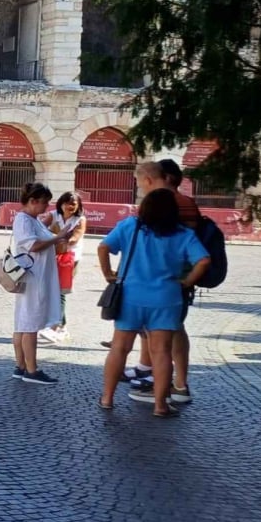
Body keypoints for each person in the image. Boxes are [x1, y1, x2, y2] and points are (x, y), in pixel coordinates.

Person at [97, 187, 210, 417]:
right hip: (166, 298)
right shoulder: (182, 234)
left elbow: (103, 246)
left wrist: (108, 273)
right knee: (161, 353)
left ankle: (107, 398)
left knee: (119, 348)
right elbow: (204, 260)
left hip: (130, 296)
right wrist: (187, 281)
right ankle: (160, 405)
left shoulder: (131, 226)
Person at [123, 159, 204, 403]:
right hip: (175, 279)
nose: (140, 188)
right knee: (171, 331)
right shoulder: (185, 202)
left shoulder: (163, 202)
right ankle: (170, 383)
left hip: (166, 281)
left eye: (139, 183)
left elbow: (159, 242)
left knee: (168, 334)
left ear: (149, 179)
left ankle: (169, 388)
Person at [10, 183, 78, 383]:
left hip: (34, 276)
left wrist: (59, 237)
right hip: (33, 277)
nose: (47, 207)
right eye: (45, 203)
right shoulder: (24, 220)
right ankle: (31, 370)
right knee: (29, 324)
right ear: (33, 201)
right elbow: (33, 245)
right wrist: (58, 238)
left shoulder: (33, 220)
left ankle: (21, 366)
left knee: (23, 323)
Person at [40, 192, 86, 344]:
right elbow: (39, 230)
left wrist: (58, 238)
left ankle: (56, 327)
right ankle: (61, 326)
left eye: (73, 204)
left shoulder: (80, 220)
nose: (70, 206)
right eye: (67, 203)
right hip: (52, 256)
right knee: (51, 290)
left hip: (70, 259)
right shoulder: (53, 215)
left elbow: (75, 238)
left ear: (78, 206)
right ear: (61, 203)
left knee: (60, 291)